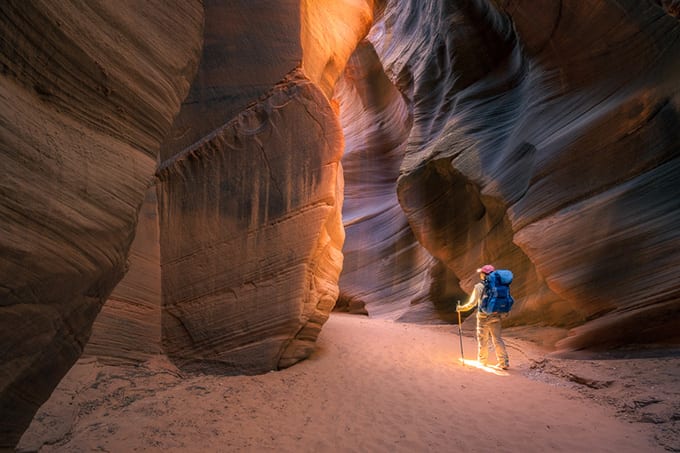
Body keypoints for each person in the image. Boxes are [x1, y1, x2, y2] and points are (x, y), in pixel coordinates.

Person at [456, 264, 509, 369]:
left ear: (484, 275)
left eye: (482, 273)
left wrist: (460, 308)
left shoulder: (479, 287)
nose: (480, 274)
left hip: (483, 317)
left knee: (482, 340)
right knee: (497, 339)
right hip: (496, 316)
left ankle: (482, 362)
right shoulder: (499, 286)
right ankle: (504, 363)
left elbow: (472, 304)